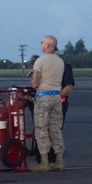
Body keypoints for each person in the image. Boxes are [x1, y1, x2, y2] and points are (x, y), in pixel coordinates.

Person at [28, 34, 66, 171]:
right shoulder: (60, 61)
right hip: (56, 96)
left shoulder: (40, 61)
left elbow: (34, 84)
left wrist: (33, 75)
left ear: (48, 45)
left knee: (41, 129)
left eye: (43, 42)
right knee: (55, 129)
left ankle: (44, 162)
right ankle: (59, 160)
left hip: (43, 96)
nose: (41, 45)